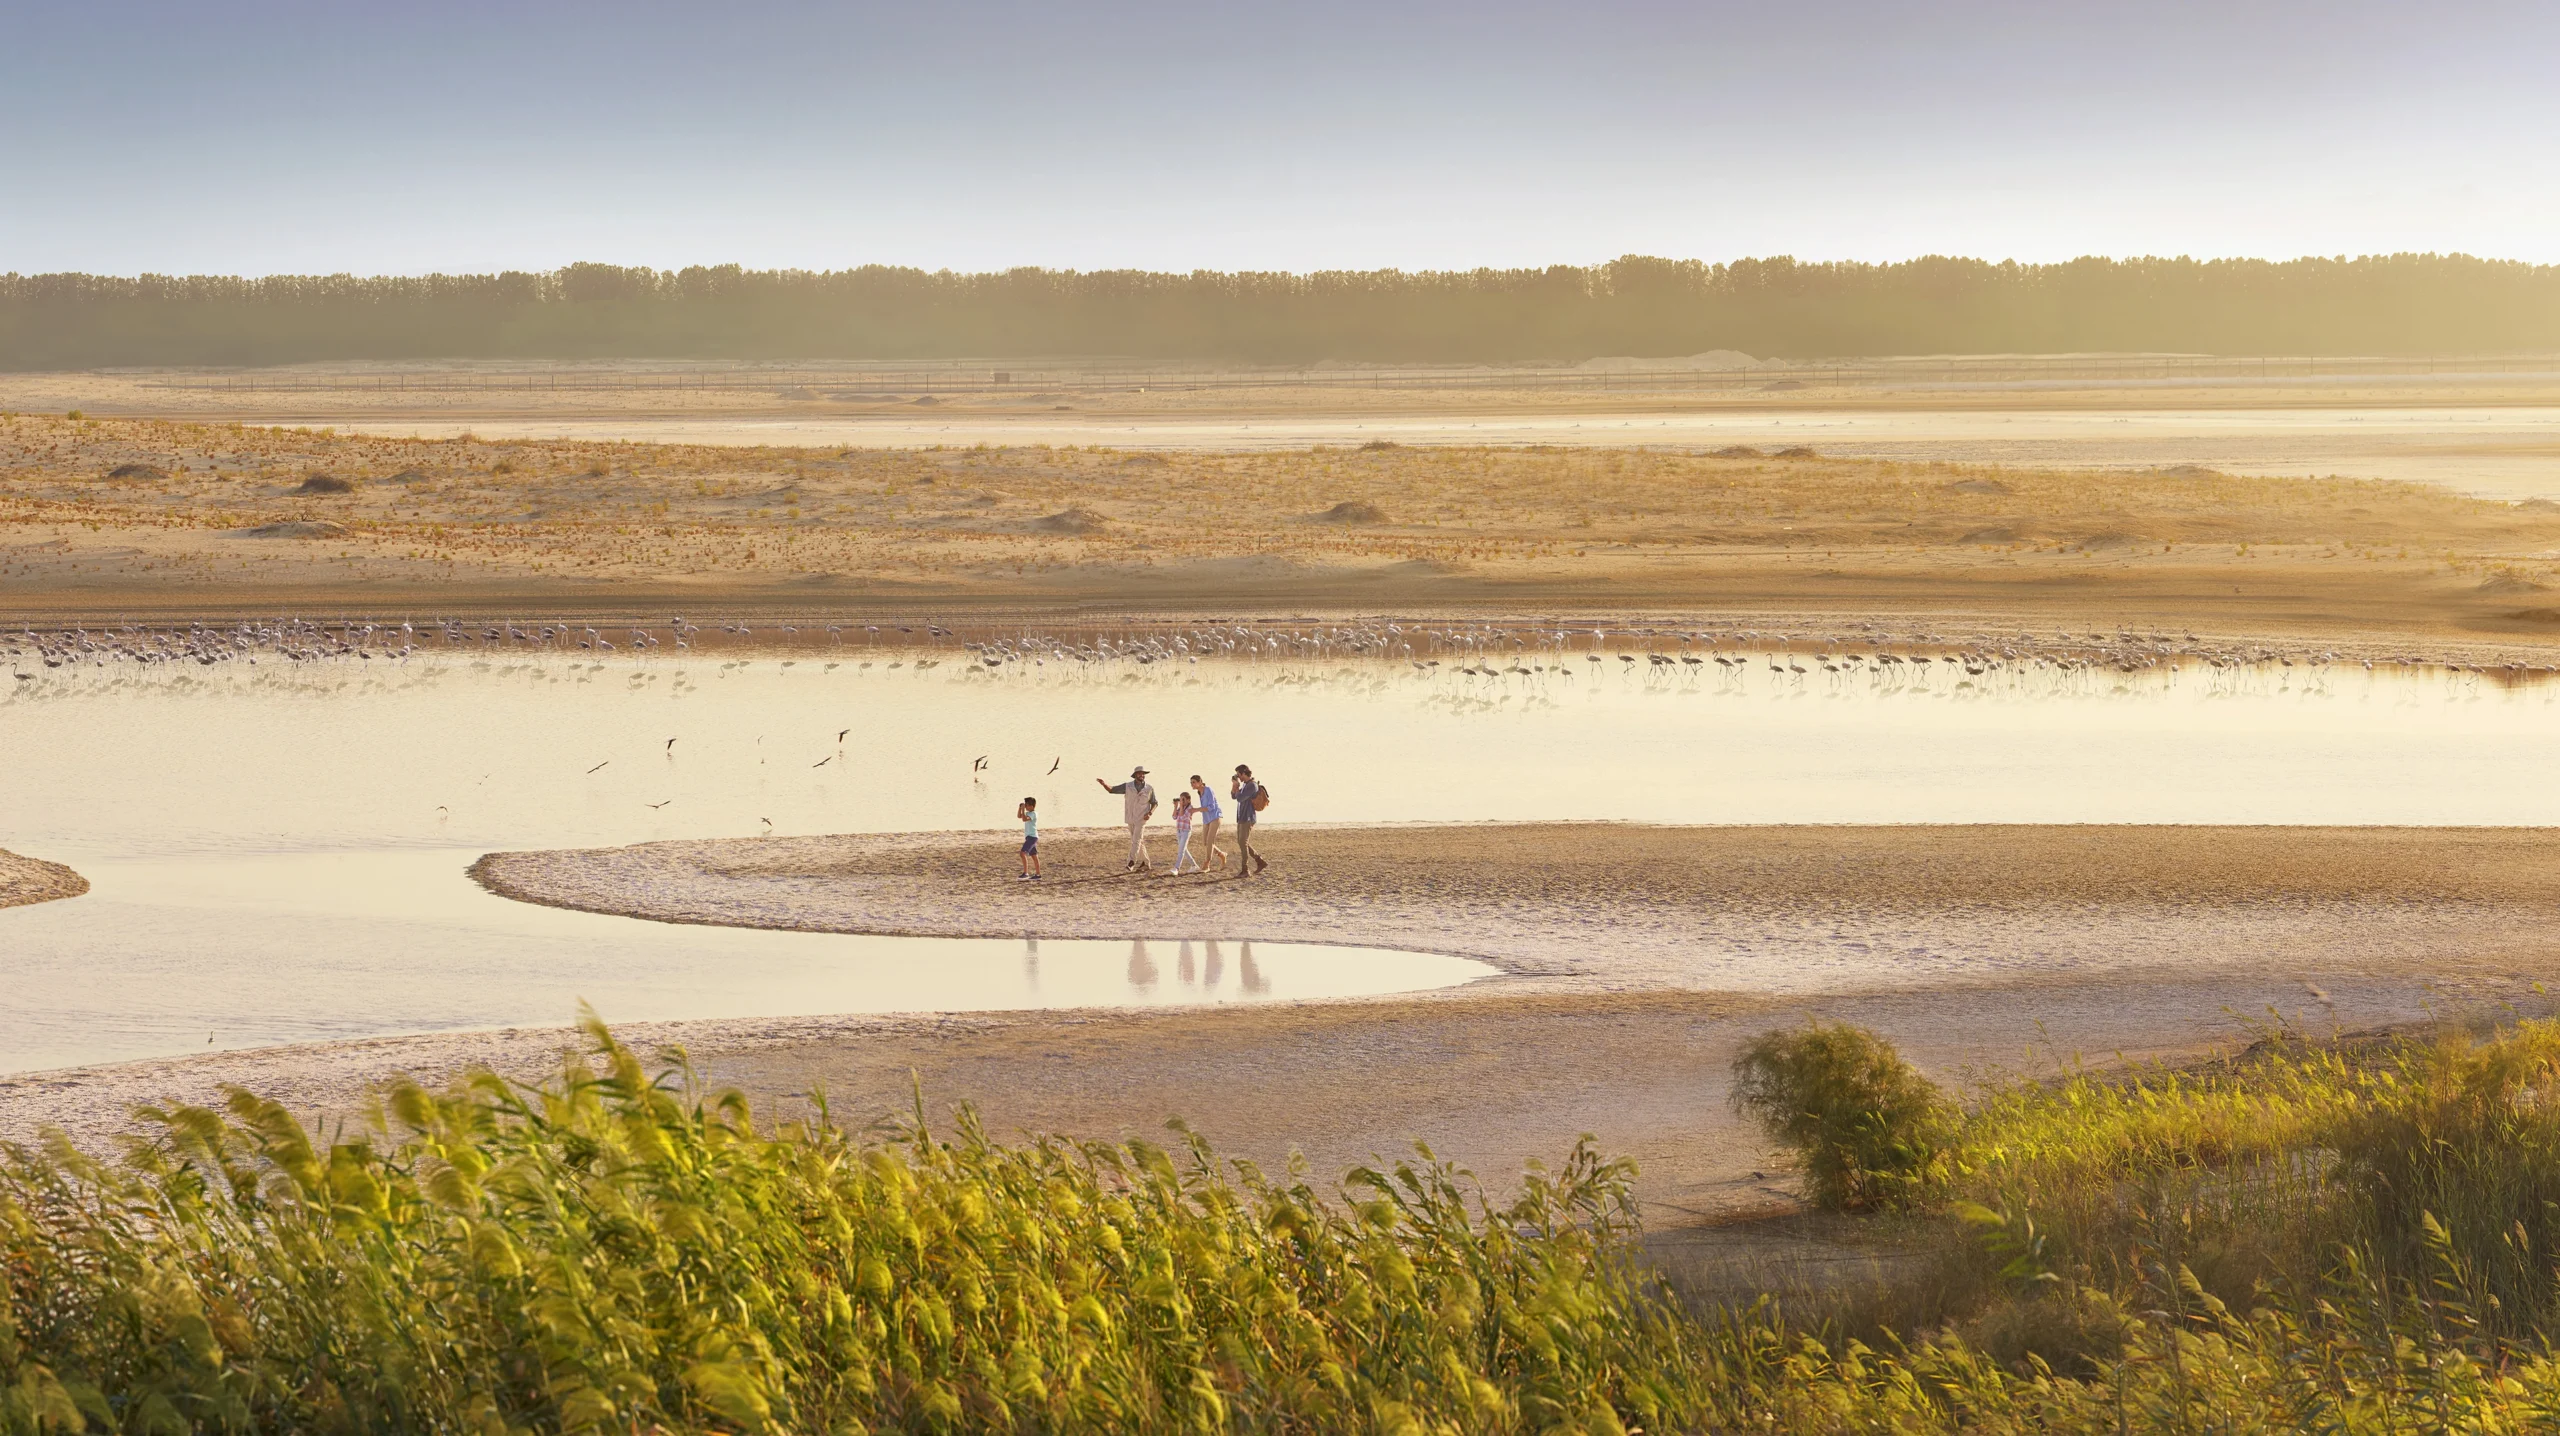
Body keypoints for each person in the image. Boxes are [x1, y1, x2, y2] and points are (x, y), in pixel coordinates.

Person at [1097, 765, 1157, 871]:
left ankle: (1131, 862)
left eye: (1143, 773)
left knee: (1136, 841)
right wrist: (1103, 784)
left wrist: (1149, 813)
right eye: (1139, 773)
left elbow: (1155, 803)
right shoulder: (1127, 786)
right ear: (1135, 775)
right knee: (1138, 840)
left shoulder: (1149, 788)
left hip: (1142, 818)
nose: (1142, 775)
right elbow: (1112, 790)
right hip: (1130, 818)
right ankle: (1146, 863)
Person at [1230, 763, 1269, 877]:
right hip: (1242, 817)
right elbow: (1234, 796)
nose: (1239, 777)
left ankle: (1245, 870)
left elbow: (1240, 798)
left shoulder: (1252, 785)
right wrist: (1235, 786)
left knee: (1243, 843)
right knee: (1243, 843)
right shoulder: (1246, 785)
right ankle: (1259, 861)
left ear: (1243, 773)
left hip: (1248, 817)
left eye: (1239, 775)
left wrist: (1237, 787)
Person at [1189, 773, 1227, 871]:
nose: (1192, 784)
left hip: (1215, 817)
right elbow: (1204, 808)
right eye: (1191, 783)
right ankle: (1222, 854)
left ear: (1200, 782)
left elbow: (1212, 807)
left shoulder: (1208, 790)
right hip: (1206, 819)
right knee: (1205, 842)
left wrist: (1196, 810)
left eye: (1194, 782)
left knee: (1210, 841)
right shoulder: (1199, 793)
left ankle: (1207, 864)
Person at [1169, 790, 1199, 873]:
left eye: (1183, 799)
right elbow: (1174, 817)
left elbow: (1182, 816)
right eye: (1180, 799)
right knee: (1184, 849)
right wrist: (1176, 807)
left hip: (1186, 831)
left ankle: (1176, 868)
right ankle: (1194, 865)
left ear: (1188, 800)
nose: (1182, 801)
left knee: (1181, 850)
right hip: (1179, 830)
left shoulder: (1190, 808)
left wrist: (1181, 806)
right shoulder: (1180, 807)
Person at [1015, 796, 1042, 880]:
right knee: (1034, 855)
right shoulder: (1028, 813)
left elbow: (1024, 819)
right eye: (1025, 805)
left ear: (1032, 806)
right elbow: (1019, 816)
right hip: (1029, 837)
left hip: (1032, 837)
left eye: (1027, 805)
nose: (1026, 807)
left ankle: (1025, 873)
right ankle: (1038, 875)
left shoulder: (1034, 814)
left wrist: (1023, 810)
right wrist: (1020, 808)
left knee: (1022, 853)